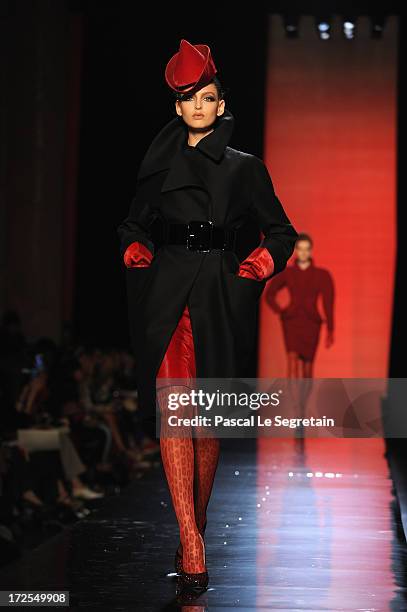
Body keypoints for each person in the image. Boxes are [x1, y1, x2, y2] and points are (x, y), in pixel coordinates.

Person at [117, 38, 298, 594]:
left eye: (208, 97)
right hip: (167, 292)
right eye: (190, 98)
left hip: (219, 294)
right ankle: (191, 540)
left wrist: (256, 266)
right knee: (176, 409)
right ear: (177, 106)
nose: (199, 106)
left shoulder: (246, 169)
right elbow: (134, 224)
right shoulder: (157, 165)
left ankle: (193, 525)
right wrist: (136, 248)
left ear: (221, 105)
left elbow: (281, 232)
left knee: (208, 418)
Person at [265, 232, 335, 410]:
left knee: (307, 370)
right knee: (293, 364)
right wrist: (281, 311)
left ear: (311, 251)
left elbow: (328, 303)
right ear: (296, 250)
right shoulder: (288, 273)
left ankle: (302, 407)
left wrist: (331, 330)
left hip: (311, 323)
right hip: (292, 321)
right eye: (300, 249)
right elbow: (270, 294)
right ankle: (296, 408)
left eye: (307, 249)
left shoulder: (322, 275)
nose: (303, 253)